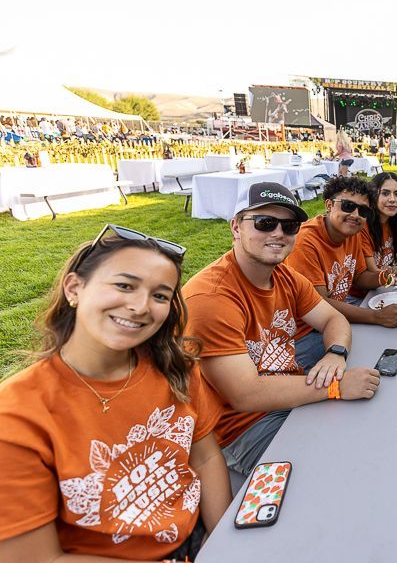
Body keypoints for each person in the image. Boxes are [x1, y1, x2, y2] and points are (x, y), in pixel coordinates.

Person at [0, 225, 231, 561]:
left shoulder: (175, 366)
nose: (140, 307)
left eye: (160, 295)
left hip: (199, 539)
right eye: (125, 285)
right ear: (74, 288)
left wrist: (223, 540)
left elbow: (206, 457)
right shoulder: (17, 416)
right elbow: (38, 558)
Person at [183, 182, 380, 478]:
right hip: (244, 427)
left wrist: (336, 353)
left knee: (366, 432)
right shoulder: (210, 298)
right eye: (264, 223)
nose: (278, 233)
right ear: (235, 227)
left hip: (288, 392)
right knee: (337, 471)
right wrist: (335, 387)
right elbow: (245, 395)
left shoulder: (285, 275)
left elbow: (333, 319)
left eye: (289, 226)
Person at [286, 176, 397, 337]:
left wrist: (385, 276)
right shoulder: (305, 242)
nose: (356, 215)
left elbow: (359, 277)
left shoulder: (353, 232)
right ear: (329, 205)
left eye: (363, 210)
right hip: (303, 333)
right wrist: (376, 317)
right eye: (348, 206)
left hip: (333, 320)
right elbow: (318, 303)